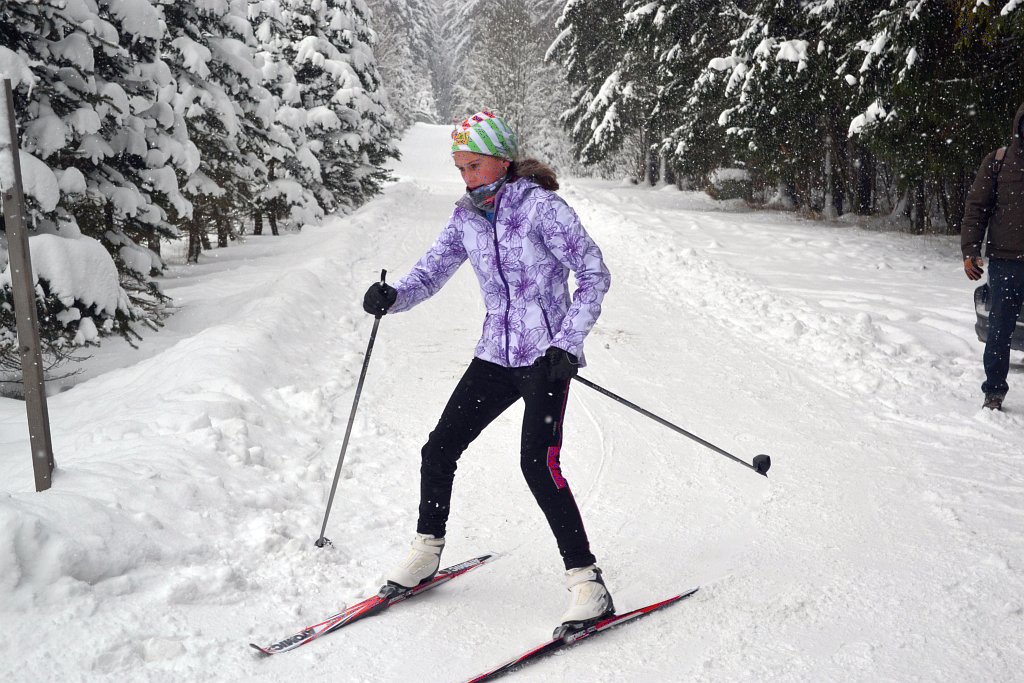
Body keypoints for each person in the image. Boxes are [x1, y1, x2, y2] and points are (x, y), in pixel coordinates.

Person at [361, 110, 614, 630]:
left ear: (502, 159)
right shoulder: (467, 216)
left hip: (545, 358)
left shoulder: (542, 209)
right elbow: (431, 272)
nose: (467, 176)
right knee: (439, 448)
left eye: (474, 165)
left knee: (538, 464)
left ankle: (587, 582)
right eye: (460, 168)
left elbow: (593, 272)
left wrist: (567, 342)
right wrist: (394, 296)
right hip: (495, 354)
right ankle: (426, 550)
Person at [962, 102, 1024, 411]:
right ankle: (994, 392)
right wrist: (970, 251)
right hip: (1006, 261)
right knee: (1000, 330)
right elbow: (976, 209)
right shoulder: (998, 162)